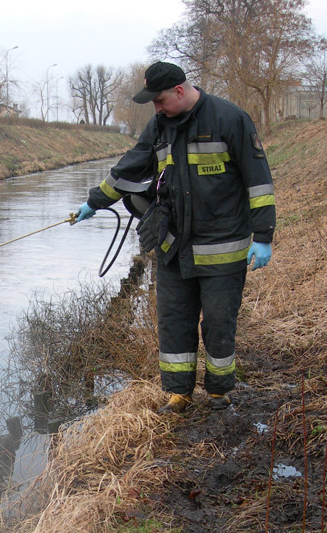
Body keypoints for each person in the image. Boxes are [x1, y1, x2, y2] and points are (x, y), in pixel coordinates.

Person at [76, 61, 275, 414]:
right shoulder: (158, 127)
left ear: (179, 91)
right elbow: (129, 167)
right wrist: (94, 201)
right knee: (174, 322)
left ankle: (218, 392)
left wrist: (263, 235)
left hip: (223, 249)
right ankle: (178, 394)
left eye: (159, 100)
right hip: (173, 247)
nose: (156, 108)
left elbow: (258, 181)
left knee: (219, 323)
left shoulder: (230, 119)